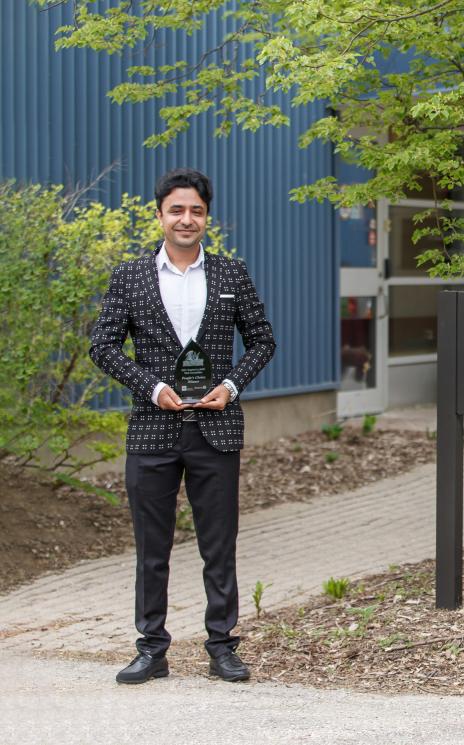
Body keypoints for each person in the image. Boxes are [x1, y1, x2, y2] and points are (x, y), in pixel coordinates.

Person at [89, 168, 276, 684]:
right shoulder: (130, 277)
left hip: (216, 429)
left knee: (219, 544)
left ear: (206, 218)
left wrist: (231, 386)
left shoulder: (232, 275)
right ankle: (152, 648)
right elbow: (102, 346)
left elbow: (262, 341)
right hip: (153, 430)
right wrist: (150, 386)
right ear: (160, 215)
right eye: (177, 210)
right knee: (152, 548)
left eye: (195, 210)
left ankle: (222, 647)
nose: (186, 219)